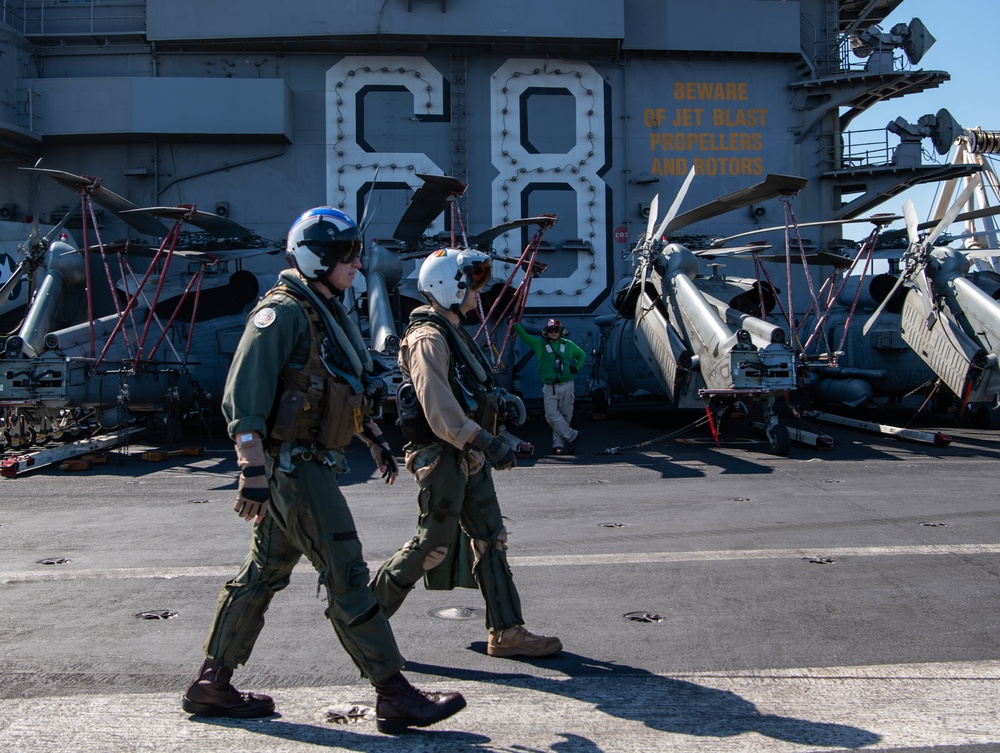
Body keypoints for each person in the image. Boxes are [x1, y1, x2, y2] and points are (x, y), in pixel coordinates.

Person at [181, 207, 466, 735]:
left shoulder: (322, 311)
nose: (357, 265)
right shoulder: (282, 313)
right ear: (319, 258)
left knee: (261, 576)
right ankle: (393, 692)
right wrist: (252, 472)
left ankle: (211, 684)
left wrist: (375, 440)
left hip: (307, 465)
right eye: (348, 257)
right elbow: (243, 397)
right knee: (348, 574)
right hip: (295, 471)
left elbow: (330, 388)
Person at [371, 247, 562, 659]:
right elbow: (441, 413)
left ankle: (508, 632)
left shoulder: (452, 332)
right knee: (431, 547)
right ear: (448, 287)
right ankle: (363, 620)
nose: (479, 292)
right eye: (472, 284)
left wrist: (502, 403)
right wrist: (488, 443)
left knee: (492, 539)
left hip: (467, 456)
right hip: (443, 458)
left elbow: (468, 391)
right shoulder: (428, 339)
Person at [512, 318, 586, 455]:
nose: (553, 332)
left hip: (566, 384)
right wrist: (515, 324)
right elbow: (525, 337)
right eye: (550, 330)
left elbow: (582, 355)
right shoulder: (539, 345)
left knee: (565, 416)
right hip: (549, 386)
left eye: (556, 330)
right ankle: (572, 436)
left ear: (560, 331)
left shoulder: (568, 345)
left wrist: (576, 368)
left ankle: (558, 445)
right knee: (551, 415)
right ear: (546, 332)